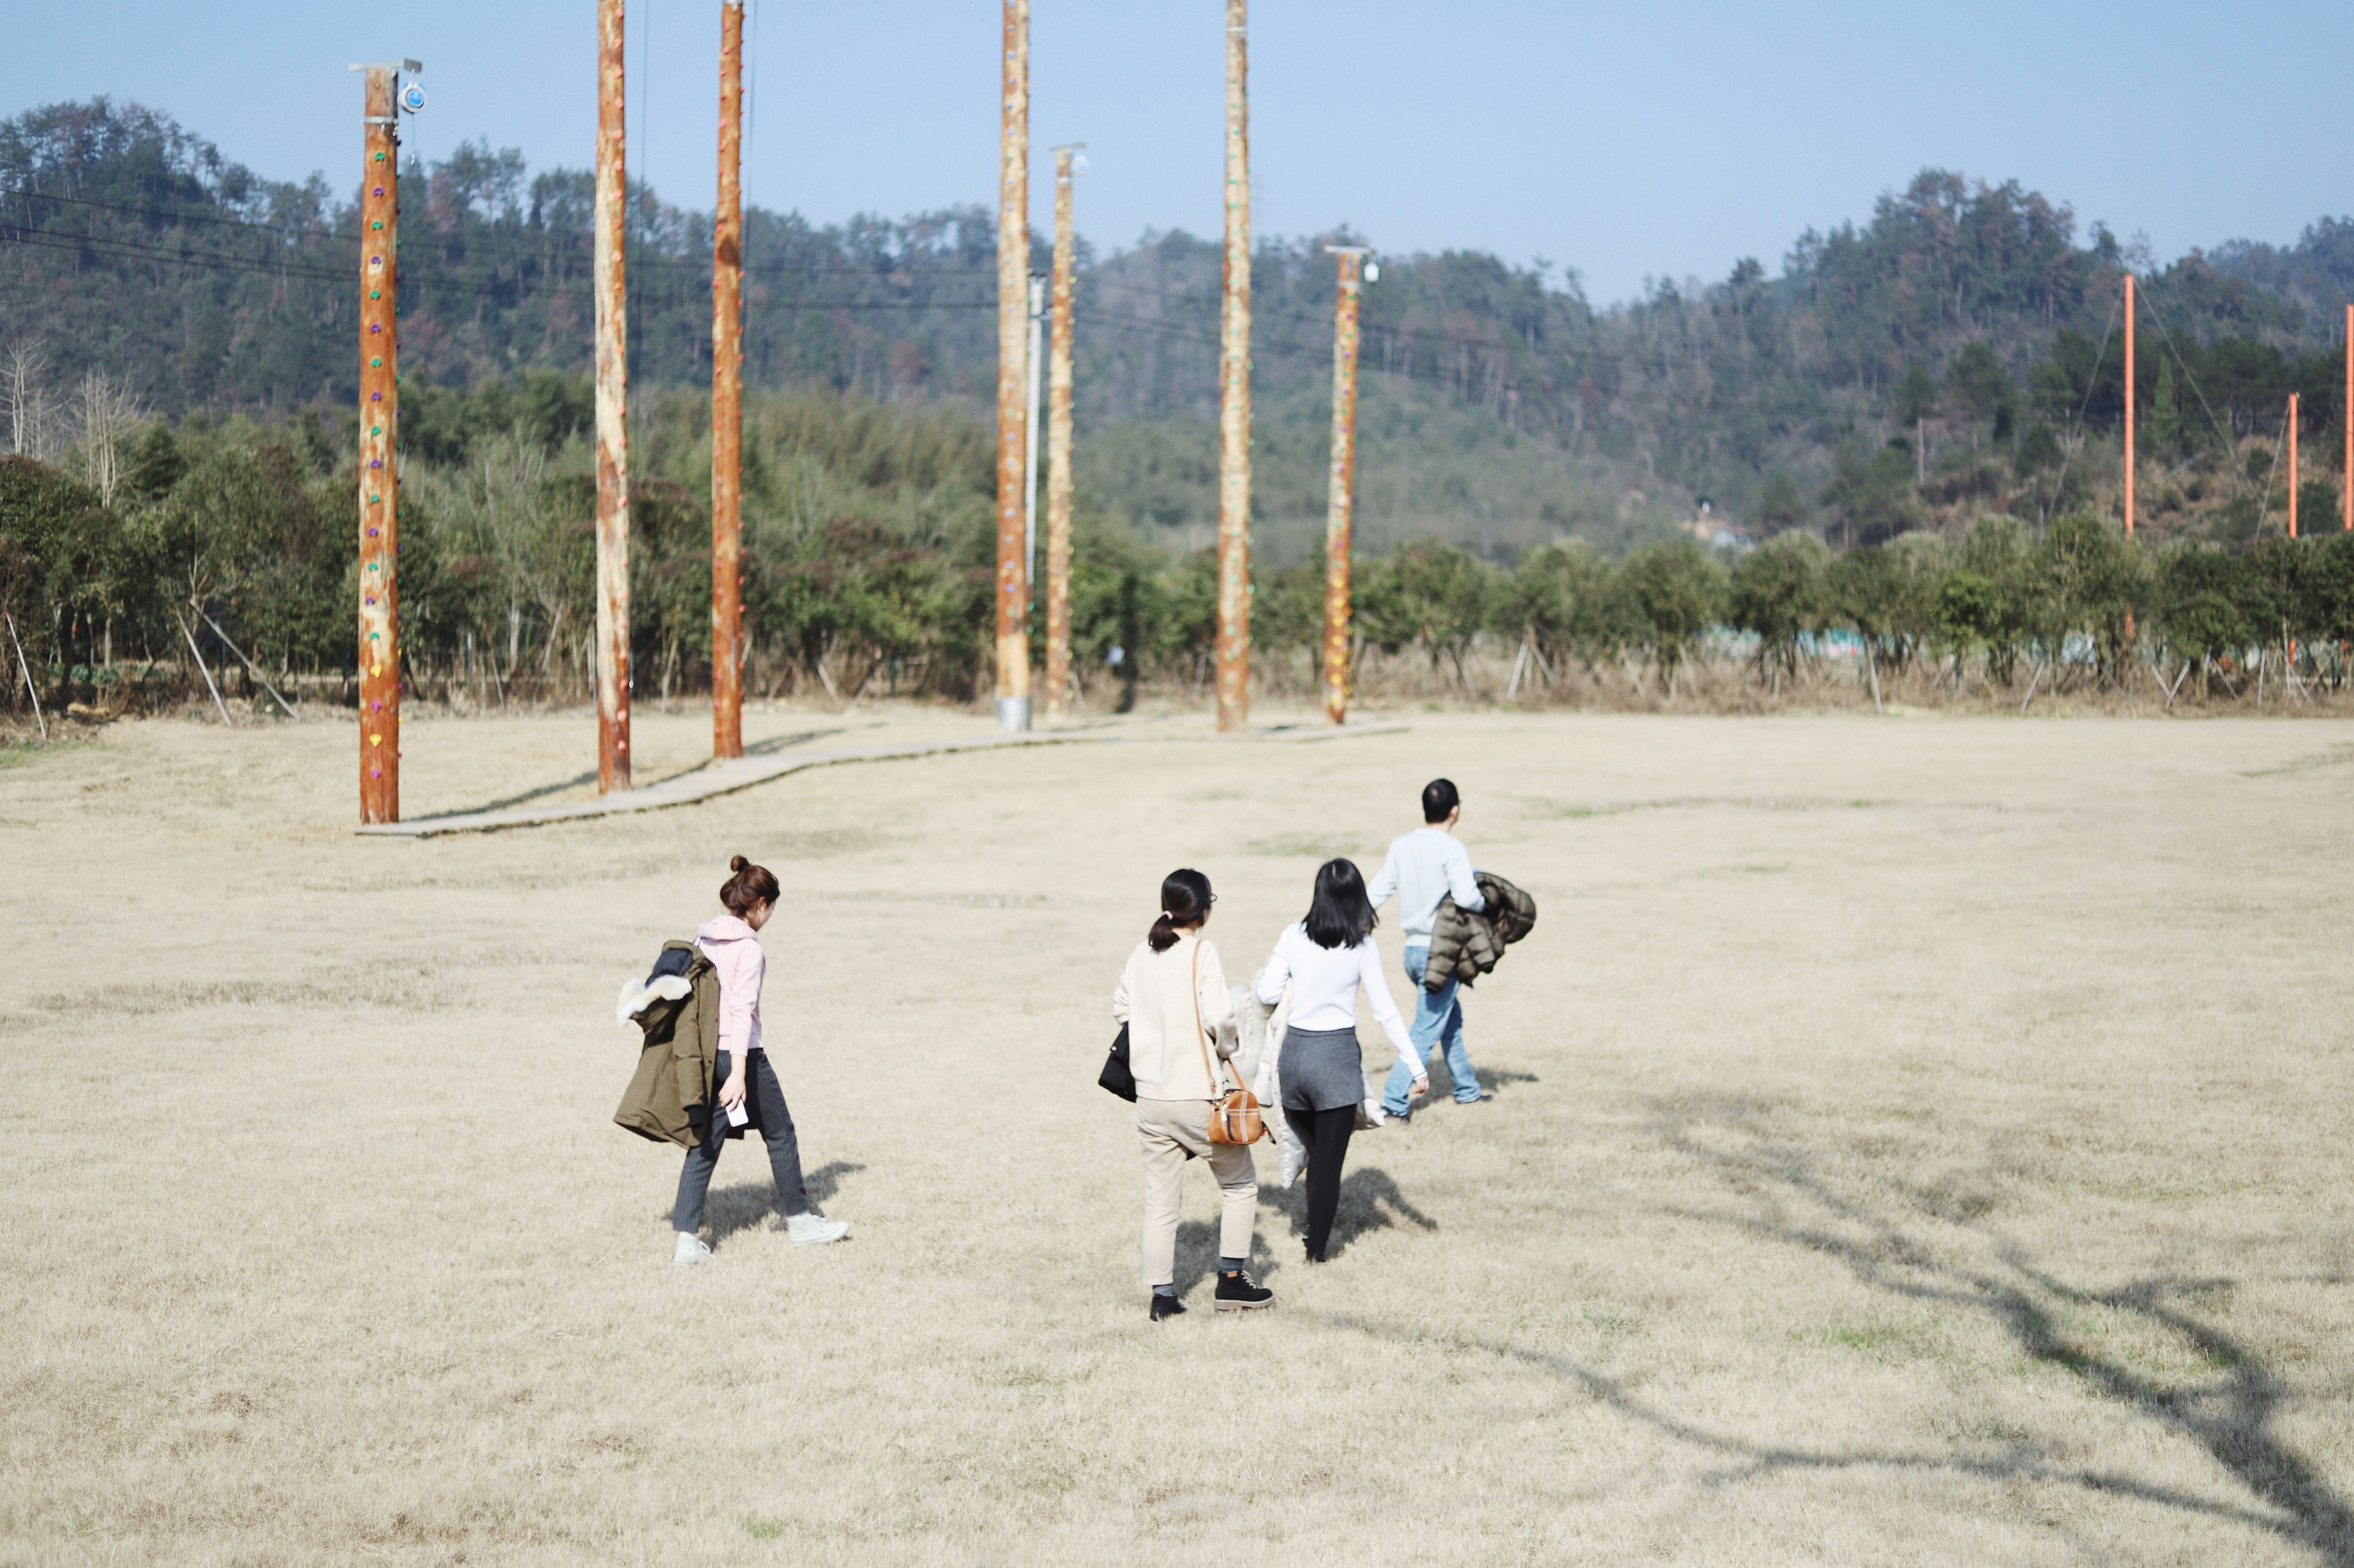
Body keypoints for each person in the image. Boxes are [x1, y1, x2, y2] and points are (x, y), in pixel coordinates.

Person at [1111, 869, 1275, 1320]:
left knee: (1160, 1199)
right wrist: (1228, 1048)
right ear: (1203, 909)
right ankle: (1231, 1282)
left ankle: (1162, 1296)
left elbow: (1121, 1008)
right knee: (1239, 1183)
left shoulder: (1141, 953)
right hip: (1194, 1095)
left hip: (1150, 1096)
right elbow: (1222, 1017)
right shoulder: (1202, 952)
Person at [672, 855, 850, 1264]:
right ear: (761, 904)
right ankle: (802, 1225)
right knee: (780, 1133)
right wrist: (737, 1074)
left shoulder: (705, 938)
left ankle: (686, 1243)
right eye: (771, 908)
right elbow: (739, 1013)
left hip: (704, 1054)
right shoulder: (748, 950)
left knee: (705, 1145)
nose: (770, 916)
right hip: (741, 1055)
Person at [1254, 858, 1423, 1264]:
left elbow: (1264, 993)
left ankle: (1311, 1228)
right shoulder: (1363, 945)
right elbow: (1385, 1011)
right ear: (1356, 899)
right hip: (1335, 1064)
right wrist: (1415, 1065)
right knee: (1328, 1166)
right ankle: (1315, 1253)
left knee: (1313, 1154)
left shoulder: (1292, 936)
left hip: (1294, 1062)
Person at [1367, 778, 1493, 1120]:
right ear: (1455, 810)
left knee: (1447, 1020)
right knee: (1425, 1028)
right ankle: (1393, 1101)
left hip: (1412, 953)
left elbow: (1376, 892)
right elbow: (1468, 897)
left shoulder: (1401, 845)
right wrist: (1488, 903)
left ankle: (1467, 1090)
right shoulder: (1451, 849)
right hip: (1441, 953)